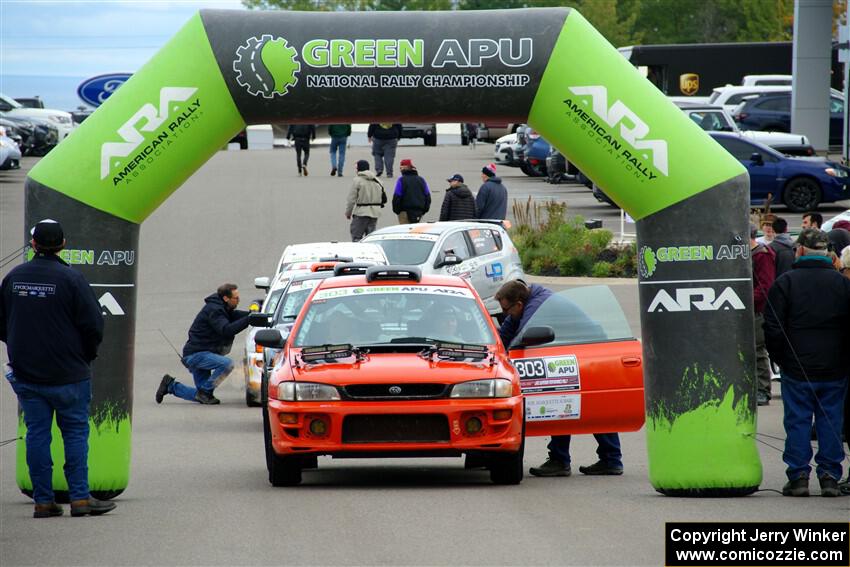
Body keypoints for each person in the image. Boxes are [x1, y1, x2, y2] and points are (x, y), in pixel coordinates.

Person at [0, 219, 115, 518]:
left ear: (33, 244)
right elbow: (93, 325)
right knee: (75, 435)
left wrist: (20, 348)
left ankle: (43, 501)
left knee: (37, 435)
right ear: (63, 244)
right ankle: (79, 499)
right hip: (69, 374)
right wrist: (85, 355)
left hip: (26, 373)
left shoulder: (14, 277)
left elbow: (2, 323)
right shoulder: (72, 279)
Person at [494, 280, 623, 478]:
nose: (505, 315)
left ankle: (603, 460)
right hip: (575, 351)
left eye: (506, 310)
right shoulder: (527, 301)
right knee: (562, 403)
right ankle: (575, 459)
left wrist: (507, 359)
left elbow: (522, 341)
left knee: (590, 405)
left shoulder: (536, 309)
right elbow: (506, 335)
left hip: (591, 354)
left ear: (518, 304)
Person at [764, 229, 850, 497]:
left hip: (797, 365)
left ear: (799, 250)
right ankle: (829, 476)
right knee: (831, 420)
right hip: (835, 366)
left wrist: (781, 359)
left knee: (798, 421)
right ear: (828, 253)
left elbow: (773, 327)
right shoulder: (843, 284)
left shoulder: (786, 283)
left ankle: (799, 475)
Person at [157, 284, 250, 405]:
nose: (238, 301)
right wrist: (249, 319)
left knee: (201, 395)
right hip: (196, 355)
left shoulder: (222, 308)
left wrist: (254, 314)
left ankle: (170, 386)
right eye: (236, 298)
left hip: (202, 353)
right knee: (227, 365)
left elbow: (236, 315)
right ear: (226, 298)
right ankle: (205, 391)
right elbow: (226, 330)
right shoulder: (214, 310)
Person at [750, 223, 776, 406]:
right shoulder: (751, 254)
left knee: (758, 350)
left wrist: (744, 300)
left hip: (757, 311)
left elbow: (766, 287)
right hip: (748, 309)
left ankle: (763, 390)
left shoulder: (761, 255)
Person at [346, 159, 385, 242]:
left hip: (361, 212)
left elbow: (351, 199)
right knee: (371, 239)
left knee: (356, 236)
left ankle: (358, 253)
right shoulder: (378, 181)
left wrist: (348, 213)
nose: (356, 170)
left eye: (356, 168)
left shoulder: (357, 180)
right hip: (375, 212)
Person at [392, 158, 431, 224]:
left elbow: (397, 196)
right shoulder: (421, 180)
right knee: (415, 231)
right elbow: (427, 196)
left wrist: (397, 210)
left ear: (405, 168)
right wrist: (424, 210)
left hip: (404, 211)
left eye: (401, 168)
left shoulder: (401, 180)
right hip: (419, 211)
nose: (400, 170)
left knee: (405, 231)